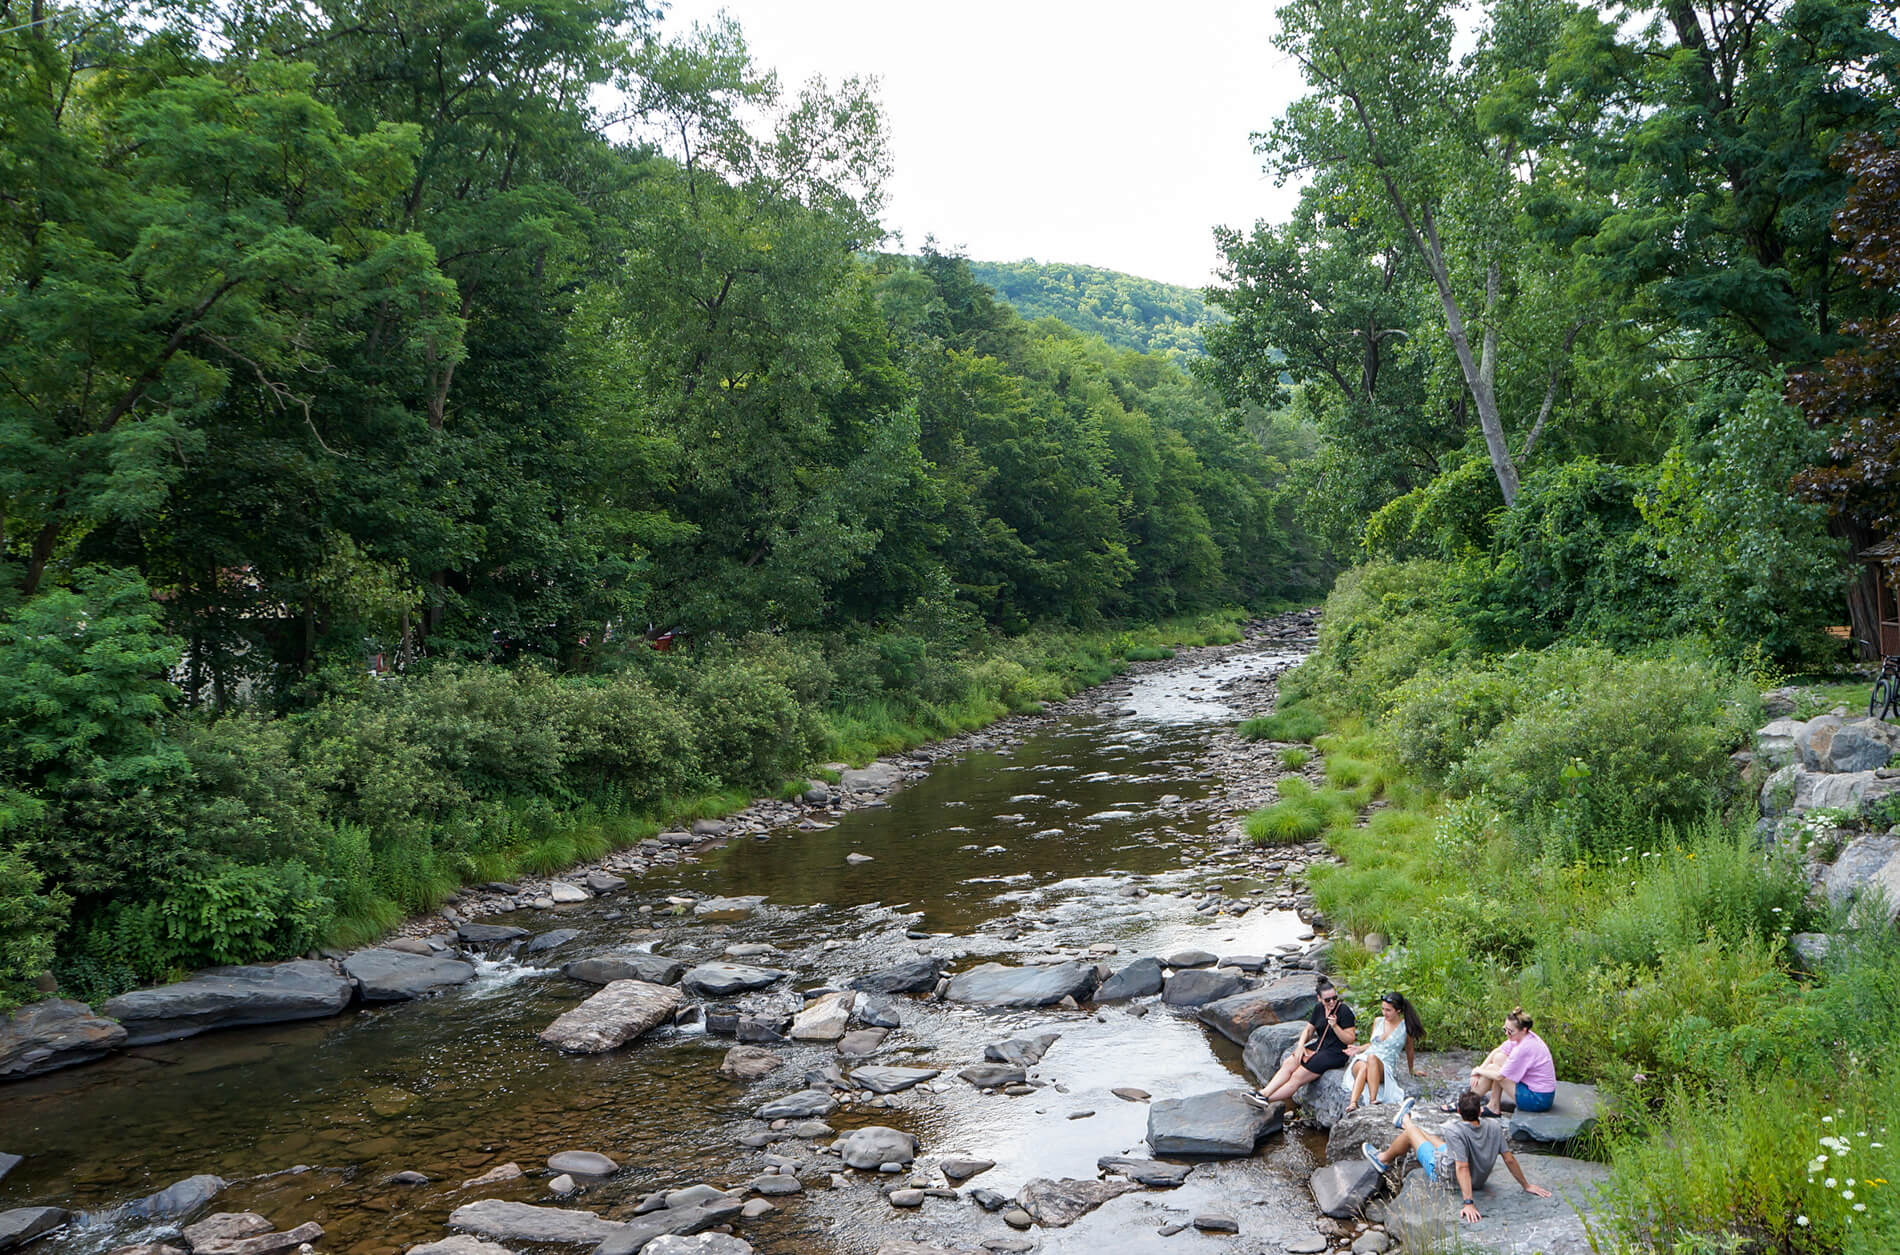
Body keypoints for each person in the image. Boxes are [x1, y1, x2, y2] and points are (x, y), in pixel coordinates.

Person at [1362, 1090, 1553, 1224]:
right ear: (1480, 1111)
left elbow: (1462, 1167)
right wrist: (1526, 1185)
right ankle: (1407, 1122)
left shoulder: (1454, 1130)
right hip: (1477, 1177)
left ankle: (1384, 1156)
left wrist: (1468, 1203)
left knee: (1411, 1134)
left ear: (1459, 1111)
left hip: (1445, 1177)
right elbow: (1509, 1159)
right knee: (1430, 1137)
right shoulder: (1494, 1127)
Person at [1250, 979, 1356, 1107]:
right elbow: (1309, 1029)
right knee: (1289, 1062)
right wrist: (1300, 1046)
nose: (1332, 1002)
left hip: (1336, 1052)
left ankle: (1266, 1100)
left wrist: (1335, 1027)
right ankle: (1263, 1093)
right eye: (1327, 1000)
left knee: (1297, 1076)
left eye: (1334, 998)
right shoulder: (1319, 1009)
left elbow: (1350, 1039)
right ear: (1319, 999)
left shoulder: (1344, 1011)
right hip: (1319, 1047)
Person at [1340, 990, 1422, 1112]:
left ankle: (1373, 1100)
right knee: (1364, 1065)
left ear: (1398, 1010)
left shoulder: (1406, 1028)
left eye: (1388, 1010)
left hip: (1384, 1066)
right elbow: (1372, 1044)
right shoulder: (1378, 1021)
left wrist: (1412, 1070)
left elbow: (1410, 1050)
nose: (1384, 1013)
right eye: (1383, 1009)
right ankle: (1353, 1103)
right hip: (1365, 1058)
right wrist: (1358, 1049)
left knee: (1372, 1059)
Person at [1468, 1007, 1557, 1116]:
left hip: (1538, 1100)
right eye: (1504, 1029)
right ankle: (1489, 1104)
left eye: (1510, 1031)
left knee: (1493, 1069)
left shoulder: (1524, 1048)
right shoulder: (1524, 1037)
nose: (1506, 1034)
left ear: (1523, 1029)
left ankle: (1468, 1103)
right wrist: (1478, 1071)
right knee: (1498, 1057)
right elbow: (1497, 1050)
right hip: (1537, 1090)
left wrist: (1479, 1070)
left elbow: (1499, 1077)